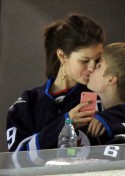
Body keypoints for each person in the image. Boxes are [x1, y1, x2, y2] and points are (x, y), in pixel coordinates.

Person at [6, 13, 105, 152]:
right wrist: (66, 122)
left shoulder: (105, 93)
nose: (92, 67)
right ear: (62, 55)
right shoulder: (27, 104)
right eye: (84, 61)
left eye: (97, 60)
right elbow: (17, 159)